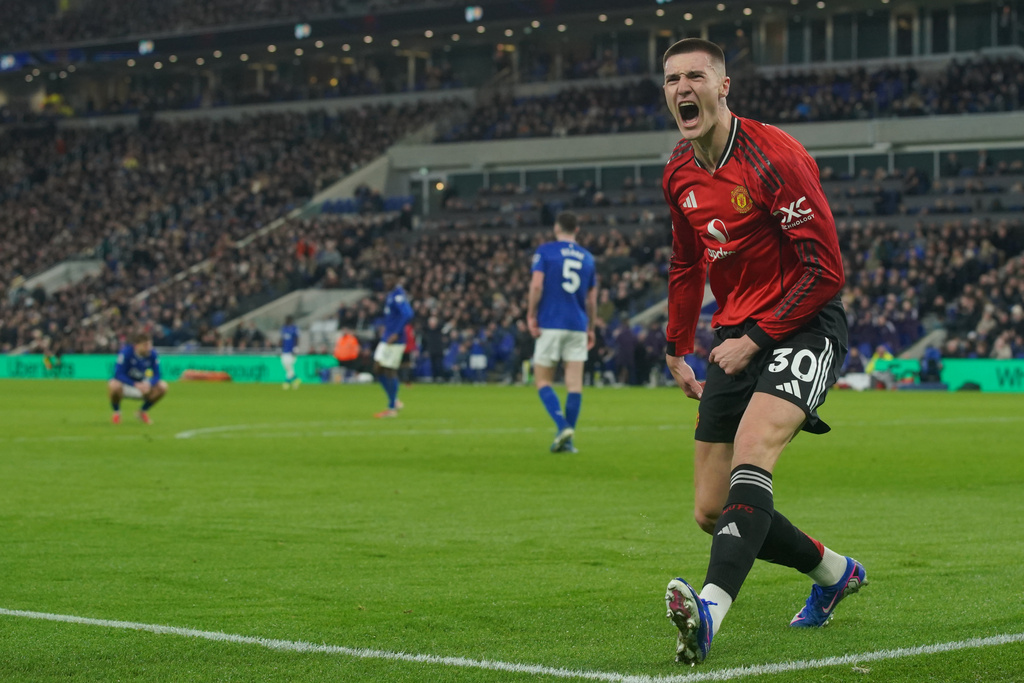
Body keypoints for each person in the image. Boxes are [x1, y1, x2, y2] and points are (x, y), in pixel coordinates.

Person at [659, 38, 866, 666]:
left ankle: (710, 611)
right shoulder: (679, 172)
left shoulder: (774, 157)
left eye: (696, 76)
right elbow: (687, 261)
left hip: (804, 324)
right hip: (735, 337)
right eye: (671, 79)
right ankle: (835, 572)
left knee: (753, 453)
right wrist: (676, 345)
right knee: (711, 508)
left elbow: (826, 270)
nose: (682, 88)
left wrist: (757, 338)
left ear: (724, 86)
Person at [527, 211, 597, 453]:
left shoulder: (546, 251)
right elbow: (592, 299)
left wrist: (531, 314)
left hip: (550, 322)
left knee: (542, 380)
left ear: (556, 228)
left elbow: (537, 285)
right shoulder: (588, 257)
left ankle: (562, 425)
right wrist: (591, 327)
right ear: (577, 230)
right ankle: (567, 442)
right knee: (574, 385)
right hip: (577, 325)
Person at [374, 273, 414, 418]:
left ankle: (392, 408)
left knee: (389, 370)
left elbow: (408, 314)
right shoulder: (391, 295)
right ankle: (394, 400)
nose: (386, 282)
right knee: (378, 368)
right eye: (385, 280)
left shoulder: (398, 295)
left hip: (395, 340)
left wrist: (396, 332)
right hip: (387, 337)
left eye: (389, 280)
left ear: (395, 281)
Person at [108, 332, 168, 425]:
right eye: (145, 345)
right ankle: (117, 412)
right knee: (113, 385)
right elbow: (118, 374)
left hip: (143, 386)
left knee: (163, 386)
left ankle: (142, 411)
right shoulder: (126, 353)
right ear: (137, 346)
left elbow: (157, 374)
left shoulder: (152, 354)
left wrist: (149, 384)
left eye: (150, 345)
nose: (149, 348)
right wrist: (135, 384)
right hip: (127, 385)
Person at [280, 315, 300, 389]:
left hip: (291, 351)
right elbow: (282, 339)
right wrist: (280, 348)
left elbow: (297, 337)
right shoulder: (284, 328)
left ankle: (287, 382)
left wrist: (296, 347)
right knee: (286, 366)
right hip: (285, 350)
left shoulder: (294, 328)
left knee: (289, 366)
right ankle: (295, 379)